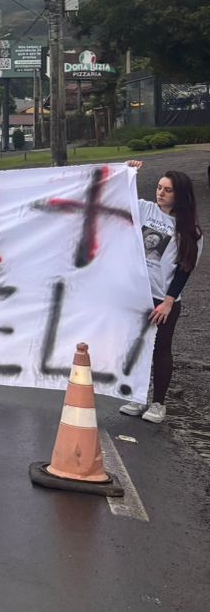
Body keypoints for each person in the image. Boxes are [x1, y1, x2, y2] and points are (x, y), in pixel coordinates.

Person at [121, 162, 201, 423]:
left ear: (180, 195)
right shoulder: (145, 210)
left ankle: (158, 403)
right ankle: (137, 396)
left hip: (163, 299)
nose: (161, 193)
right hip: (137, 293)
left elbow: (184, 269)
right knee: (137, 345)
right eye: (159, 187)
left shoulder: (190, 231)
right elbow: (121, 195)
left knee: (161, 349)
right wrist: (129, 172)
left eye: (167, 190)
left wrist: (167, 302)